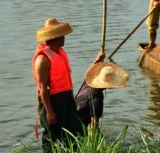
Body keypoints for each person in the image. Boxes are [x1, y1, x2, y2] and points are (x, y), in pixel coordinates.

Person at [32, 18, 81, 152]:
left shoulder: (60, 53)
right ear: (55, 37)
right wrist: (49, 111)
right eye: (62, 35)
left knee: (72, 130)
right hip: (51, 100)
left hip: (65, 97)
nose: (64, 38)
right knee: (51, 135)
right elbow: (43, 88)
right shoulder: (43, 59)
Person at [75, 53, 129, 136]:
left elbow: (86, 76)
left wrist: (97, 60)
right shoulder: (97, 96)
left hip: (72, 118)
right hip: (77, 128)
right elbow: (94, 124)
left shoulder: (88, 83)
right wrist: (93, 145)